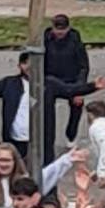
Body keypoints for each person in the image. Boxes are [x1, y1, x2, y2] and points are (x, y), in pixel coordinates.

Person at [0, 49, 105, 161]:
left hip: (40, 141)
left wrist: (93, 86)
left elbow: (70, 90)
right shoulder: (10, 84)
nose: (29, 67)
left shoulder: (48, 84)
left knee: (43, 174)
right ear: (19, 66)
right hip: (16, 140)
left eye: (33, 63)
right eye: (25, 63)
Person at [43, 14, 93, 161]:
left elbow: (83, 67)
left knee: (77, 106)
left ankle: (71, 135)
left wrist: (80, 89)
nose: (60, 33)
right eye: (57, 30)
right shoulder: (45, 40)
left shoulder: (75, 42)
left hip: (71, 81)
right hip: (51, 80)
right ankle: (47, 141)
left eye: (63, 30)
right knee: (46, 110)